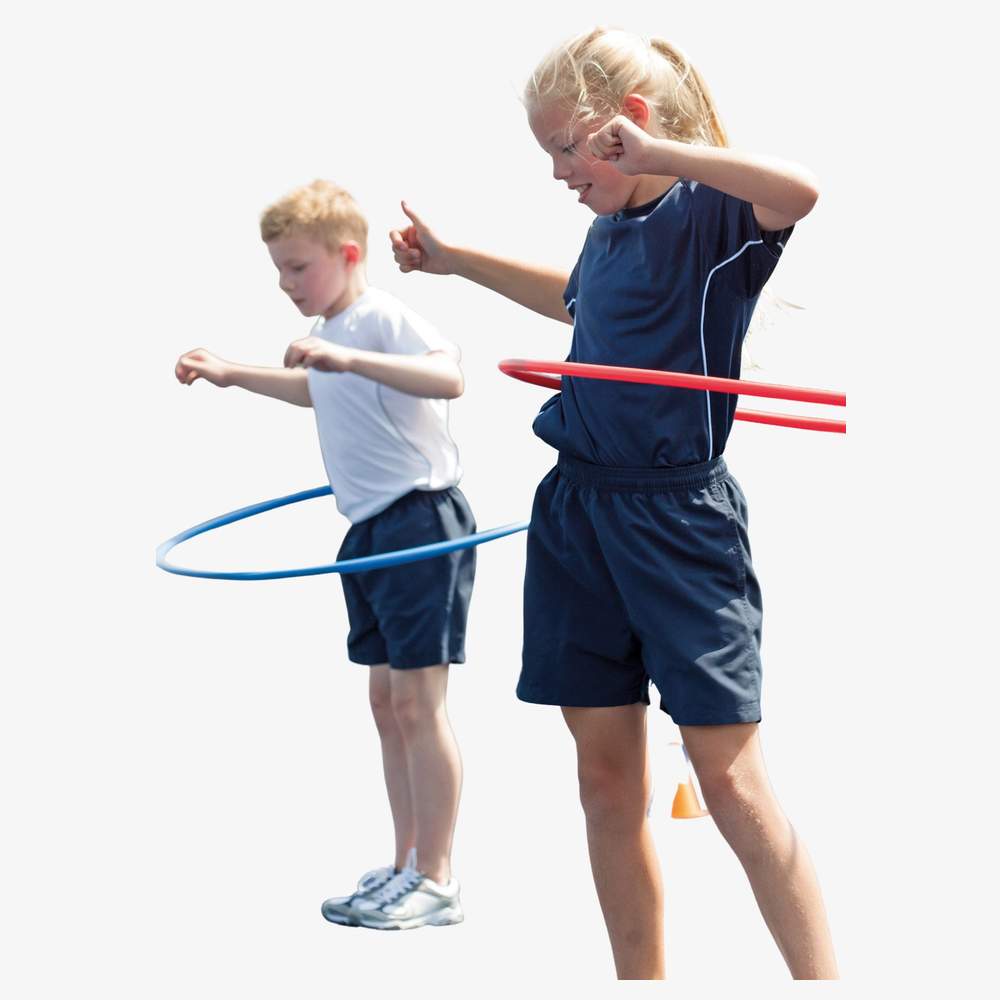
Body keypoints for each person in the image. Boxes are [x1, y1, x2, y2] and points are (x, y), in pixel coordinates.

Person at [390, 28, 838, 978]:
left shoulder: (714, 219)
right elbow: (576, 303)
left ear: (629, 125)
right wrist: (453, 260)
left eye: (568, 148)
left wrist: (665, 154)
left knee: (730, 782)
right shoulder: (608, 229)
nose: (558, 172)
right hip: (577, 515)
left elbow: (801, 190)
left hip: (678, 524)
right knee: (603, 780)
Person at [175, 179, 472, 931]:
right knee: (386, 704)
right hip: (368, 528)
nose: (286, 283)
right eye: (278, 269)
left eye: (298, 266)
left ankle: (437, 877)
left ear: (346, 255)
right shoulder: (333, 332)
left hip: (420, 519)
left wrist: (348, 359)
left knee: (419, 703)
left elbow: (449, 376)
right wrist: (232, 373)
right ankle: (405, 864)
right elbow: (318, 392)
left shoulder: (378, 318)